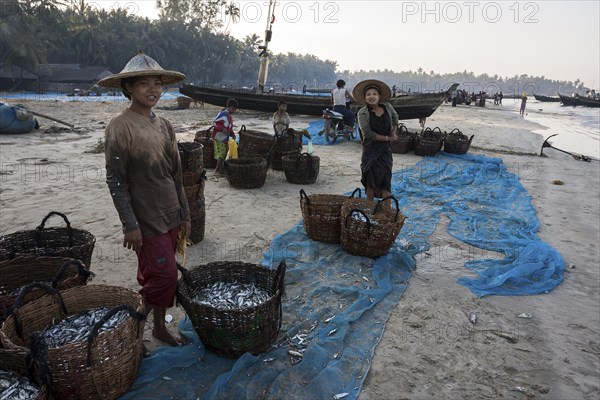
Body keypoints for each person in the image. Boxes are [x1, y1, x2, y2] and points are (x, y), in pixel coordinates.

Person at [99, 52, 190, 348]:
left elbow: (176, 174)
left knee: (163, 278)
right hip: (145, 219)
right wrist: (129, 224)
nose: (153, 90)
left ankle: (157, 329)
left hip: (171, 212)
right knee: (164, 276)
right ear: (129, 89)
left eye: (157, 84)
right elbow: (116, 179)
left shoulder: (165, 125)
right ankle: (134, 331)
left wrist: (185, 213)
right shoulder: (119, 126)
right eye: (144, 84)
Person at [353, 79, 399, 203]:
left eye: (374, 94)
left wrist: (393, 132)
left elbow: (395, 119)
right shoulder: (362, 113)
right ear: (364, 98)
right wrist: (387, 138)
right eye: (368, 94)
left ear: (379, 96)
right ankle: (369, 208)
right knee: (370, 182)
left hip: (385, 151)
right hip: (370, 151)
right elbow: (367, 133)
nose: (371, 97)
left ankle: (387, 211)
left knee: (385, 180)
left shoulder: (388, 107)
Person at [211, 98, 238, 175]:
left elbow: (229, 128)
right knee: (221, 154)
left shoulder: (229, 117)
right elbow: (214, 122)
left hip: (224, 138)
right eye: (233, 109)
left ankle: (220, 170)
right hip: (218, 137)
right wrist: (222, 129)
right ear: (230, 107)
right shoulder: (223, 114)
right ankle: (217, 171)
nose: (234, 111)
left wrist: (232, 134)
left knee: (224, 153)